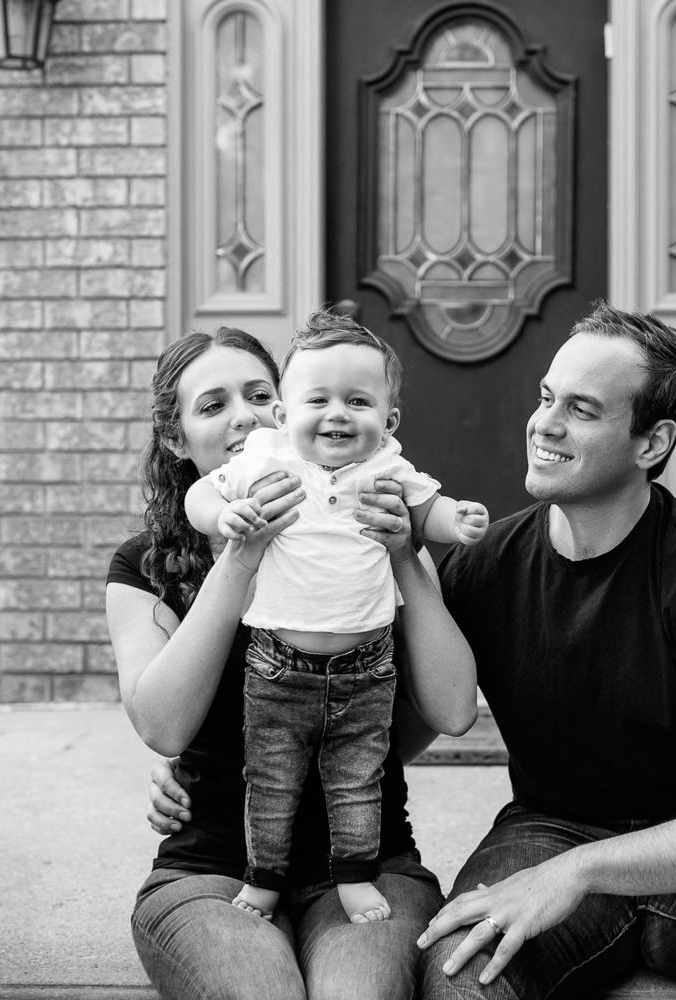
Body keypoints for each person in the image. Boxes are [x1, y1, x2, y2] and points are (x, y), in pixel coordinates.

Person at [149, 302, 676, 999]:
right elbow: (379, 726)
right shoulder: (487, 565)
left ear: (652, 443)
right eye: (545, 397)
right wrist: (208, 772)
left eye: (581, 410)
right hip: (545, 835)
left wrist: (585, 871)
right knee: (457, 972)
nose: (544, 425)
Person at [107, 326, 477, 1000]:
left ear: (285, 411)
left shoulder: (373, 526)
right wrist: (242, 552)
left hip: (368, 865)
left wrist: (401, 554)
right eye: (213, 406)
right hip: (211, 870)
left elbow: (450, 711)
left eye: (258, 393)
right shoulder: (142, 566)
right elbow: (162, 726)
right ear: (176, 438)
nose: (244, 415)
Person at [185, 311, 489, 925]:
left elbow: (430, 509)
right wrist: (226, 518)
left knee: (357, 779)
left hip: (365, 669)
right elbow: (201, 495)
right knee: (271, 780)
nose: (337, 414)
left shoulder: (389, 469)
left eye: (358, 400)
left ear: (389, 420)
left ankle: (353, 875)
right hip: (276, 666)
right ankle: (264, 878)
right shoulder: (267, 462)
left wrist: (455, 522)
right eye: (317, 399)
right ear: (285, 413)